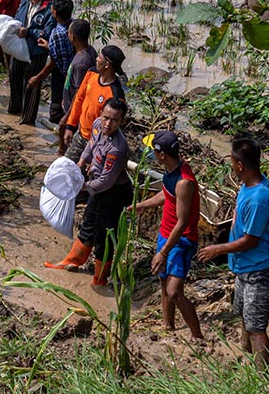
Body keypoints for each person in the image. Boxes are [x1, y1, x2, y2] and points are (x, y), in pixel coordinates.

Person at [197, 138, 269, 369]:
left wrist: (218, 249)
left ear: (240, 165)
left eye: (233, 163)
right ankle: (246, 358)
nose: (232, 167)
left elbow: (250, 241)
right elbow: (241, 214)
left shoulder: (259, 198)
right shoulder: (248, 185)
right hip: (244, 269)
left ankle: (265, 375)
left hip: (259, 270)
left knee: (256, 327)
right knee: (244, 317)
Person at [44, 97, 132, 287]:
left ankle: (100, 279)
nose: (108, 124)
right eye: (106, 117)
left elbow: (105, 182)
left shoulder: (118, 148)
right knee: (88, 223)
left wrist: (80, 186)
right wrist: (81, 164)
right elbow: (90, 146)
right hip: (96, 186)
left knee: (105, 236)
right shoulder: (97, 125)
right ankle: (72, 261)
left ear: (121, 121)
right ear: (101, 114)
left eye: (114, 120)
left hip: (114, 193)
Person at [135, 130, 204, 341]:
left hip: (181, 241)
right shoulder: (171, 170)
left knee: (174, 291)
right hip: (166, 234)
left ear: (162, 154)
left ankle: (197, 336)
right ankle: (168, 326)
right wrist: (142, 205)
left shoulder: (184, 182)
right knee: (164, 282)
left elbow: (182, 222)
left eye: (154, 152)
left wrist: (163, 252)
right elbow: (166, 193)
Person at [62, 45, 125, 163]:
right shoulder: (91, 73)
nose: (96, 59)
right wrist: (70, 126)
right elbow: (79, 99)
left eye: (99, 57)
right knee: (66, 167)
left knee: (88, 176)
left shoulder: (115, 94)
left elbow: (113, 125)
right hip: (80, 134)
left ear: (107, 65)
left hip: (97, 143)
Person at [10, 0, 54, 124]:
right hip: (19, 47)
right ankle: (14, 112)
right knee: (14, 77)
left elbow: (48, 32)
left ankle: (27, 120)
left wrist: (29, 32)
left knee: (31, 85)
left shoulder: (49, 7)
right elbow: (18, 16)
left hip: (36, 52)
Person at [27, 0, 72, 126]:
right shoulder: (72, 25)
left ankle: (63, 138)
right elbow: (62, 51)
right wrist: (49, 46)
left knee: (57, 112)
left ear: (54, 13)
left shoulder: (57, 34)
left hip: (62, 75)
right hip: (70, 72)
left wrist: (38, 78)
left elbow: (53, 62)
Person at [58, 19, 96, 153]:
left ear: (72, 36)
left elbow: (80, 93)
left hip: (76, 113)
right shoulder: (88, 51)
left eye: (68, 32)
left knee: (70, 144)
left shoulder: (81, 63)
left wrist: (67, 117)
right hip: (71, 106)